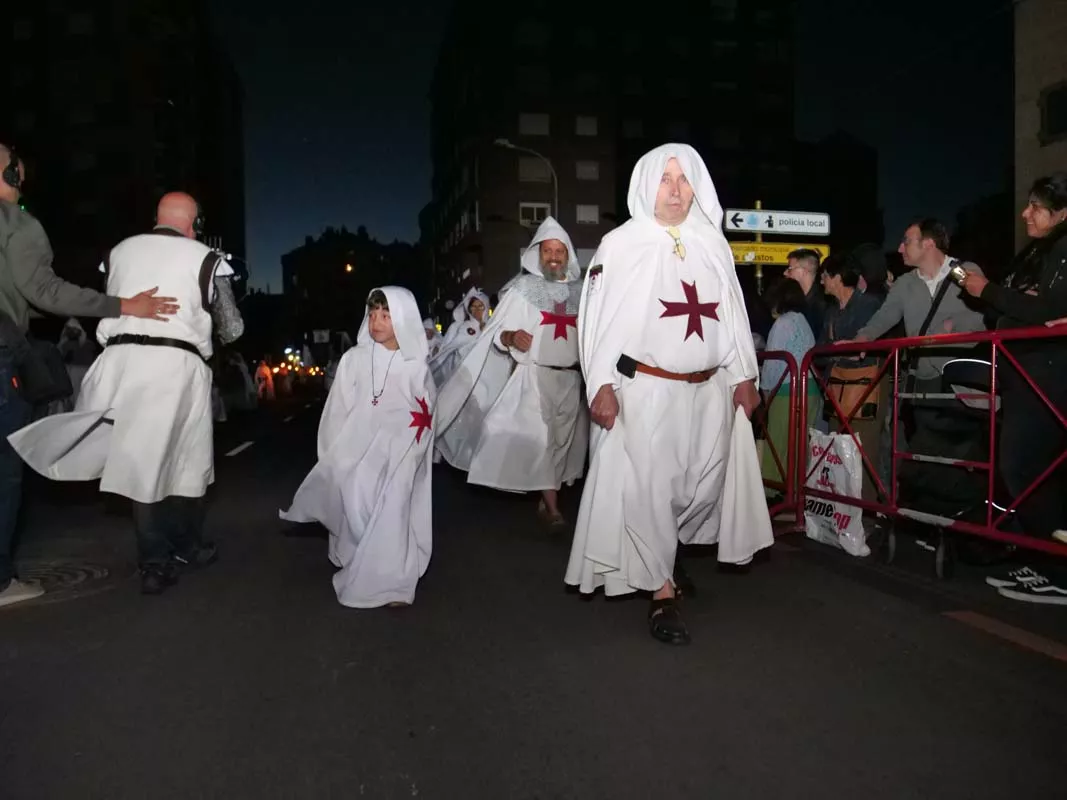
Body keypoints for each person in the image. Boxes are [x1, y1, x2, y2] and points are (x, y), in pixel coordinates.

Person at [565, 143, 773, 646]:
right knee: (653, 489)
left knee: (701, 487)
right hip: (648, 392)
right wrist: (601, 384)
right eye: (666, 178)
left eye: (684, 179)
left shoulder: (712, 243)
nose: (676, 189)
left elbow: (734, 312)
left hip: (708, 393)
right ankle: (661, 593)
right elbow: (596, 319)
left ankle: (667, 554)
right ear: (647, 184)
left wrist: (746, 374)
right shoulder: (623, 244)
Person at [8, 191, 243, 596]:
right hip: (173, 367)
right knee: (186, 459)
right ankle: (167, 555)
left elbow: (111, 296)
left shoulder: (118, 252)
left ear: (158, 218)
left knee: (142, 460)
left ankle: (170, 551)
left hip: (119, 362)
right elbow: (231, 327)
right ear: (193, 224)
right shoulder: (205, 258)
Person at [0, 144, 179, 608]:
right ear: (13, 175)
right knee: (5, 472)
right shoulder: (16, 224)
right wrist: (124, 304)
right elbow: (44, 291)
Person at [280, 287, 435, 609]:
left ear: (403, 318)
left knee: (394, 505)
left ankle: (393, 582)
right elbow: (338, 407)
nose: (377, 322)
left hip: (400, 448)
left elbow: (427, 409)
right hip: (359, 446)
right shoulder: (354, 360)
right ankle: (362, 555)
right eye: (373, 314)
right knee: (357, 500)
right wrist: (334, 454)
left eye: (386, 315)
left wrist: (417, 451)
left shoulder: (415, 363)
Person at [435, 216, 588, 526]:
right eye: (548, 251)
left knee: (561, 442)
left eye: (559, 251)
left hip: (571, 379)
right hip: (535, 376)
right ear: (538, 254)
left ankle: (548, 497)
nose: (554, 257)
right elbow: (496, 333)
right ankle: (554, 509)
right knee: (542, 438)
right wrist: (511, 337)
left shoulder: (582, 292)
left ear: (568, 254)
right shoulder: (522, 289)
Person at [961, 173, 1067, 604]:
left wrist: (990, 291)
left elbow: (1050, 311)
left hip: (1046, 378)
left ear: (1061, 212)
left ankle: (1056, 568)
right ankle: (1043, 557)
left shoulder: (1062, 249)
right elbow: (1028, 309)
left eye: (1037, 207)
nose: (1026, 213)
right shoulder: (1044, 250)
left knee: (1025, 468)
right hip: (1028, 375)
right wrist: (1004, 300)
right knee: (1031, 471)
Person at [759, 278, 818, 493]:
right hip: (810, 389)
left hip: (786, 391)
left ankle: (774, 492)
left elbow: (773, 362)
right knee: (799, 447)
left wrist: (766, 392)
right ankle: (797, 493)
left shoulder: (783, 323)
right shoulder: (802, 320)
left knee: (778, 445)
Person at [429, 288, 489, 386]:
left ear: (486, 307)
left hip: (487, 374)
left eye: (480, 306)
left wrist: (486, 330)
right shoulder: (463, 327)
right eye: (473, 307)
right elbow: (450, 349)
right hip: (465, 375)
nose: (477, 310)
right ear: (469, 309)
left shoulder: (493, 325)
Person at [785, 248, 828, 340]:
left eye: (790, 269)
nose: (785, 273)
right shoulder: (800, 301)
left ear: (803, 271)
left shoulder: (821, 305)